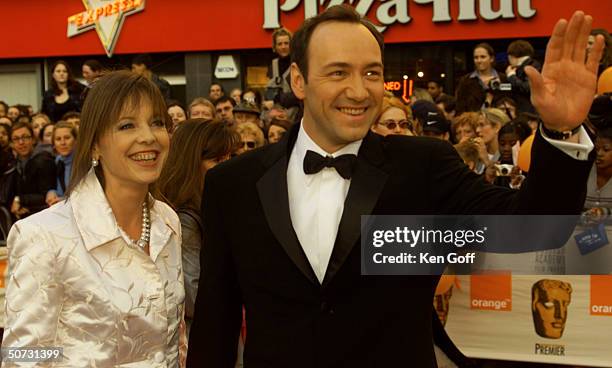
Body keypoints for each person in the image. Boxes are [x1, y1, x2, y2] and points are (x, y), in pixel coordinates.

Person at [186, 6, 603, 368]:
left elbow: (534, 228)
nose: (358, 90)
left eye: (371, 73)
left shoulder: (421, 167)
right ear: (298, 80)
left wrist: (561, 129)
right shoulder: (233, 183)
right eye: (338, 72)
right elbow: (215, 324)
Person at [2, 71, 186, 366]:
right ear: (95, 144)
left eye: (157, 123)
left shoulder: (167, 221)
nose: (148, 137)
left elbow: (173, 341)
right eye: (127, 125)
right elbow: (22, 355)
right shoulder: (43, 235)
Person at [158, 120, 239, 334]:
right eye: (217, 159)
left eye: (230, 157)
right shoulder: (185, 219)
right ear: (191, 162)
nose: (228, 165)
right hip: (202, 336)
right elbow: (194, 296)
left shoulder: (216, 204)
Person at [45, 122, 77, 206]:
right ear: (54, 144)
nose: (63, 143)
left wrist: (63, 200)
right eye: (58, 139)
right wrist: (51, 193)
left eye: (67, 138)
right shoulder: (58, 160)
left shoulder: (84, 162)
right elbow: (59, 189)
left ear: (76, 140)